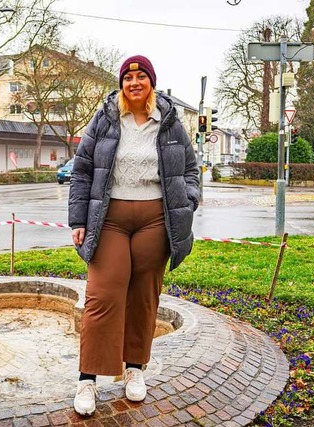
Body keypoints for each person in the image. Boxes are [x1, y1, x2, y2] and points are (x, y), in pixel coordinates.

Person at [68, 55, 200, 416]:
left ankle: (134, 370)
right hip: (109, 219)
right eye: (128, 77)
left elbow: (190, 170)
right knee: (103, 294)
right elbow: (81, 170)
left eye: (141, 76)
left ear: (151, 83)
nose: (134, 82)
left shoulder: (170, 123)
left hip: (156, 220)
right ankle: (87, 379)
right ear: (122, 84)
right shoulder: (107, 119)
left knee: (144, 296)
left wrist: (188, 201)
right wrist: (78, 218)